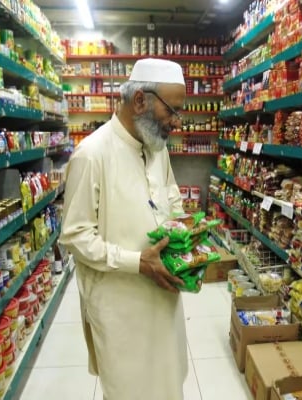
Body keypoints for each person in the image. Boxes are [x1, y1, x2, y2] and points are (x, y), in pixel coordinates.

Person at [59, 58, 189, 400]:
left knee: (167, 382)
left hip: (163, 294)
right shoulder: (92, 155)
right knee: (129, 389)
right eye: (172, 111)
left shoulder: (157, 148)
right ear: (140, 101)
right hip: (119, 307)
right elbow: (75, 236)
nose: (176, 122)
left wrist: (184, 234)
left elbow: (172, 195)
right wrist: (137, 262)